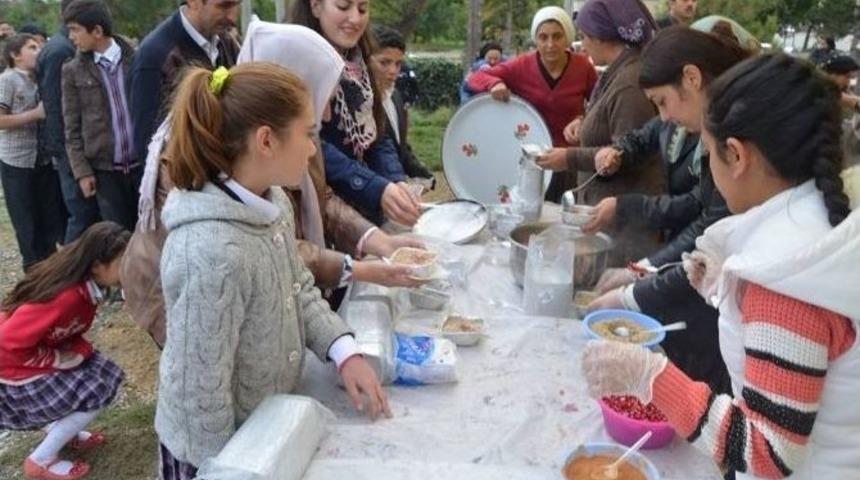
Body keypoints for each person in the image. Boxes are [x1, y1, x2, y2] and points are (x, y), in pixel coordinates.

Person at [583, 53, 860, 479]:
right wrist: (721, 291)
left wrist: (651, 376)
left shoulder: (785, 278)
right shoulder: (817, 227)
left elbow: (768, 453)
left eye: (709, 153)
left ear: (735, 155)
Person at [156, 62, 391, 479]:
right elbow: (200, 398)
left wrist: (343, 351)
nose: (314, 149)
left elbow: (297, 287)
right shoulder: (211, 253)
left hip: (264, 429)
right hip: (219, 456)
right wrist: (231, 466)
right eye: (308, 134)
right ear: (266, 140)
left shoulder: (273, 201)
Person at [584, 27, 751, 393]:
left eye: (662, 102)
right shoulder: (715, 127)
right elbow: (706, 216)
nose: (664, 117)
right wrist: (641, 272)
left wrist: (633, 290)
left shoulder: (735, 134)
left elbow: (709, 225)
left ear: (692, 78)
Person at [0, 221, 128, 480]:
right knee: (97, 388)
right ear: (96, 266)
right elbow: (6, 341)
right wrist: (57, 359)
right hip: (11, 366)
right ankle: (41, 460)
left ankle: (66, 432)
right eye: (123, 264)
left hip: (25, 356)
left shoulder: (86, 288)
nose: (129, 269)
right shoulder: (66, 296)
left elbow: (66, 330)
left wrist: (77, 351)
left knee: (101, 370)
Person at [537, 0, 661, 265]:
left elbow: (625, 155)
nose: (582, 44)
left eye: (584, 36)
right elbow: (609, 119)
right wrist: (585, 122)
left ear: (603, 35)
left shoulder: (629, 85)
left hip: (624, 230)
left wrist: (567, 158)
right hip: (609, 221)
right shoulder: (616, 74)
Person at [291, 0, 421, 227]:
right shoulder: (294, 63)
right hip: (320, 210)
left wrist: (394, 179)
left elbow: (375, 133)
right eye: (343, 7)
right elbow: (312, 147)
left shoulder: (360, 63)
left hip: (364, 208)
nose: (355, 18)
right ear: (315, 6)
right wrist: (374, 187)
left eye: (363, 9)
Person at [467, 6, 598, 201]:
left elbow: (600, 101)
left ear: (568, 37)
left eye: (557, 36)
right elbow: (474, 78)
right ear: (535, 39)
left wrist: (583, 119)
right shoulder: (520, 66)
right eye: (543, 37)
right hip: (531, 159)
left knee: (563, 217)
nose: (550, 44)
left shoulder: (583, 67)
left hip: (567, 158)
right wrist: (495, 83)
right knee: (529, 215)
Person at [62, 0, 141, 232]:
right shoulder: (72, 70)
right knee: (116, 235)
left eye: (75, 29)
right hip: (105, 172)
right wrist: (82, 172)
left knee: (148, 232)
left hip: (143, 167)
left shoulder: (136, 60)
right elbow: (71, 128)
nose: (71, 37)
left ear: (97, 31)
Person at [130, 0, 241, 164]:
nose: (233, 17)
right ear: (194, 2)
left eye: (237, 4)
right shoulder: (154, 57)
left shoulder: (227, 43)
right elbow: (148, 146)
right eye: (224, 6)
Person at [0, 34, 66, 270]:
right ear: (15, 55)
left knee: (48, 219)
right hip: (17, 163)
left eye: (39, 46)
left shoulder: (40, 78)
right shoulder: (8, 80)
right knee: (26, 222)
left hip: (43, 160)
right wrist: (34, 115)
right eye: (31, 47)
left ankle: (50, 270)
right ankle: (33, 271)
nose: (38, 51)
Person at [38, 0, 101, 244]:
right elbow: (58, 108)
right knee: (82, 216)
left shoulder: (61, 46)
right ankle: (69, 276)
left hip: (73, 149)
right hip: (70, 150)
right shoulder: (62, 51)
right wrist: (70, 156)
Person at [371, 24, 435, 186]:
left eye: (398, 64)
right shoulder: (358, 104)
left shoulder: (396, 96)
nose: (393, 71)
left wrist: (420, 172)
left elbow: (400, 144)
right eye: (384, 62)